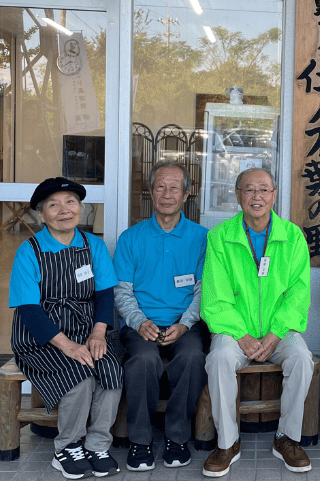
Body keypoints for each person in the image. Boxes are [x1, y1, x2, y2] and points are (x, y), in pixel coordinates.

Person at [200, 167, 314, 478]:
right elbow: (214, 296)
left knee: (303, 358)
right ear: (237, 196)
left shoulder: (292, 237)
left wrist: (276, 334)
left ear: (274, 196)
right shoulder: (220, 237)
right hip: (234, 331)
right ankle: (227, 443)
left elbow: (298, 293)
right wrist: (241, 335)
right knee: (220, 358)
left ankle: (286, 438)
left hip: (280, 331)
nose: (257, 196)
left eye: (264, 189)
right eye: (249, 189)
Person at [8, 177, 123, 479]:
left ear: (80, 208)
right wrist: (67, 345)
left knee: (111, 369)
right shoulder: (29, 251)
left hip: (87, 330)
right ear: (41, 214)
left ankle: (98, 445)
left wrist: (98, 332)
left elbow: (105, 294)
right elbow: (29, 310)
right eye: (53, 205)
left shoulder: (92, 245)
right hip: (42, 338)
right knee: (80, 375)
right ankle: (67, 447)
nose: (64, 210)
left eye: (70, 202)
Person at [113, 160, 208, 471]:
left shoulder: (202, 238)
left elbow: (203, 291)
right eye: (160, 187)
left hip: (185, 323)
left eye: (174, 188)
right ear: (150, 192)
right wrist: (139, 321)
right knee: (143, 360)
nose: (167, 194)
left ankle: (177, 436)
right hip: (141, 324)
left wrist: (184, 323)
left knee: (193, 357)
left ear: (186, 194)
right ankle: (140, 442)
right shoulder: (131, 237)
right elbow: (122, 291)